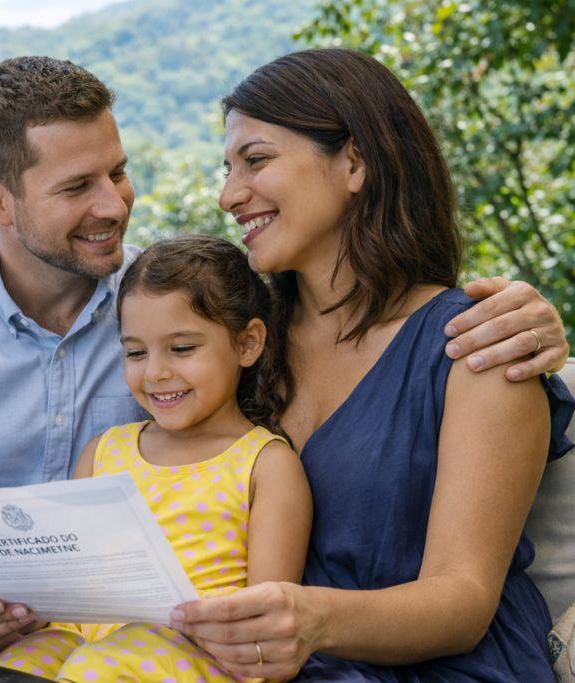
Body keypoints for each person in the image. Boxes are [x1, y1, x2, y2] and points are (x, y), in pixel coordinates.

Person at [0, 55, 571, 660]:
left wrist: (531, 312)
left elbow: (399, 342)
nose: (116, 205)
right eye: (78, 186)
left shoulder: (181, 315)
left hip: (125, 637)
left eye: (118, 173)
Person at [146, 49, 575, 682]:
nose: (229, 195)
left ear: (355, 161)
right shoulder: (242, 344)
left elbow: (463, 603)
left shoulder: (477, 346)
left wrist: (312, 619)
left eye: (256, 160)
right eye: (227, 167)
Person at [0, 234, 311, 682]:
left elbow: (265, 630)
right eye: (136, 352)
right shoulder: (103, 452)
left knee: (100, 662)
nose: (155, 372)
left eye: (182, 348)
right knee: (23, 661)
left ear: (247, 343)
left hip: (197, 660)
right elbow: (60, 580)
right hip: (85, 643)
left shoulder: (265, 464)